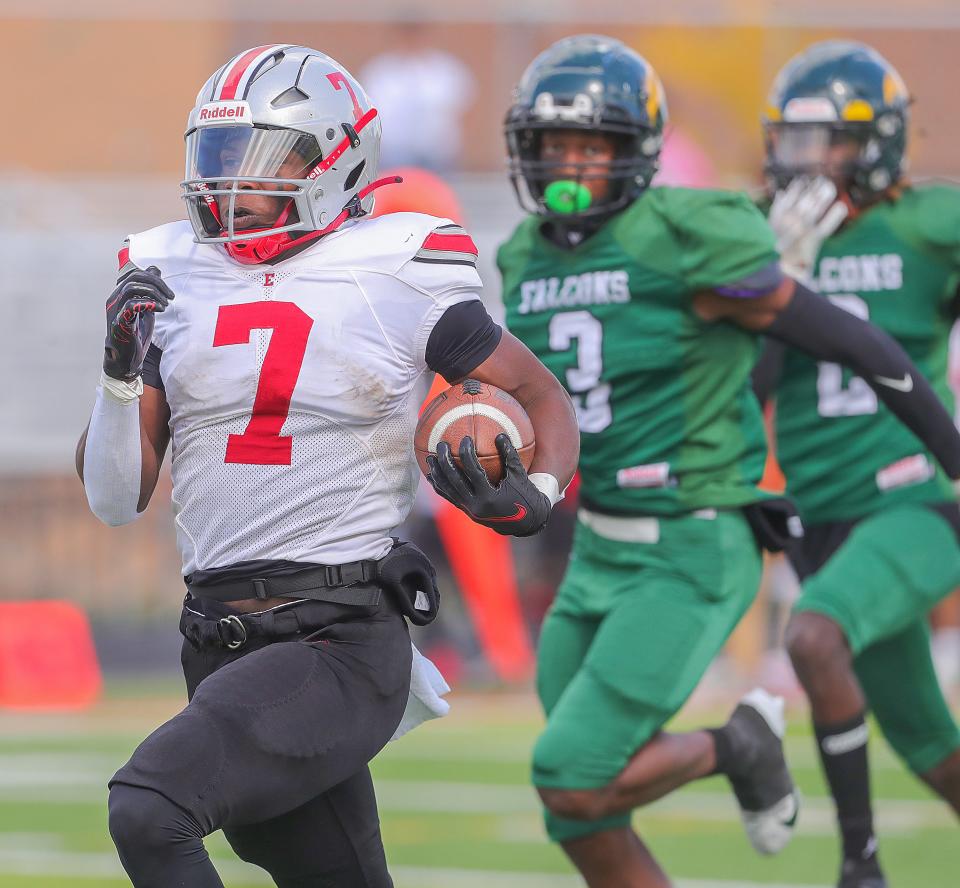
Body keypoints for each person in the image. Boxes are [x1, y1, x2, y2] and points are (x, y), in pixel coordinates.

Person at [447, 34, 960, 888]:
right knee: (582, 808)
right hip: (647, 538)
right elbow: (682, 384)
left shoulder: (702, 229)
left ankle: (781, 784)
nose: (569, 165)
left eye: (591, 145)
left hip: (764, 525)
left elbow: (853, 340)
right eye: (553, 145)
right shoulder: (529, 254)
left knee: (576, 773)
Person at [76, 43, 579, 888]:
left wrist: (537, 495)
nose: (232, 182)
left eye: (262, 158)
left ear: (337, 160)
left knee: (149, 807)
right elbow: (115, 500)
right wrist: (120, 377)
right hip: (217, 639)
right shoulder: (171, 273)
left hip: (335, 635)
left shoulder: (394, 269)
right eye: (220, 157)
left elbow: (543, 397)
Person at [754, 40, 960, 888]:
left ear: (876, 144)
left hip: (912, 504)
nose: (806, 161)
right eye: (793, 140)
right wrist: (776, 284)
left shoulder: (927, 221)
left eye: (826, 140)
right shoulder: (760, 235)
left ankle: (859, 867)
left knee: (812, 636)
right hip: (820, 519)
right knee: (931, 748)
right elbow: (750, 387)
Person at [360, 19, 476, 173]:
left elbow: (462, 106)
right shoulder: (380, 71)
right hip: (394, 154)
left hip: (437, 153)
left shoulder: (445, 69)